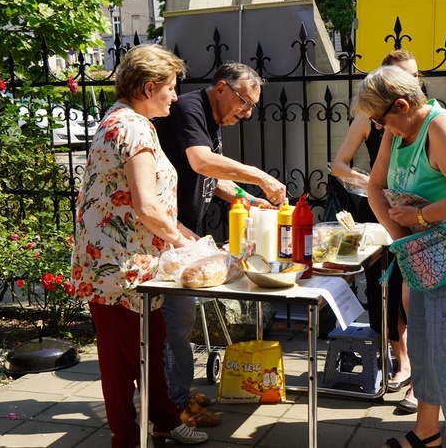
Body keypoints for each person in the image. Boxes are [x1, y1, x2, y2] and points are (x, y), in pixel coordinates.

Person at [70, 44, 207, 447]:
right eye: (171, 87)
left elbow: (139, 201)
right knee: (122, 362)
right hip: (118, 269)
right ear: (149, 87)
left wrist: (184, 235)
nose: (176, 96)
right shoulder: (132, 127)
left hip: (130, 264)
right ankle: (127, 440)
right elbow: (147, 205)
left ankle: (163, 420)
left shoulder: (121, 120)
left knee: (152, 345)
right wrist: (187, 243)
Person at [357, 66, 446, 448]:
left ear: (402, 104)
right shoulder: (396, 130)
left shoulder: (440, 127)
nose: (377, 127)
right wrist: (402, 239)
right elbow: (374, 186)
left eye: (380, 118)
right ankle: (426, 433)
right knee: (422, 347)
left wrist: (421, 217)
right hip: (424, 258)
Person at [154, 61, 287, 427]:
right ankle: (173, 409)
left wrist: (246, 198)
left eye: (251, 107)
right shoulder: (189, 109)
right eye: (243, 102)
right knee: (174, 324)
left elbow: (214, 176)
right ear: (222, 88)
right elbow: (201, 161)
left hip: (181, 230)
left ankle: (173, 392)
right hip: (166, 232)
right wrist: (261, 177)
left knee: (178, 321)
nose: (245, 113)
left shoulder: (212, 117)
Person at [330, 49, 419, 413]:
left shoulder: (426, 116)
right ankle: (403, 363)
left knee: (414, 292)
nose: (412, 82)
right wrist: (368, 182)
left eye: (415, 76)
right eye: (403, 76)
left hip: (417, 213)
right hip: (379, 212)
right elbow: (338, 165)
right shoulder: (370, 116)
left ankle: (417, 377)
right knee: (384, 288)